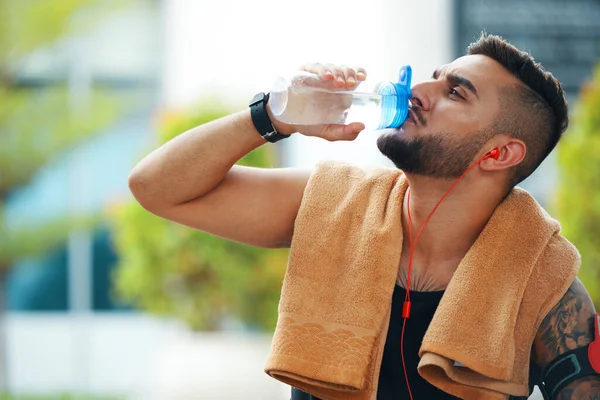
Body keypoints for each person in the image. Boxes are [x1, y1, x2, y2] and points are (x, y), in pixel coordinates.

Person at [127, 34, 600, 399]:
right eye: (435, 76)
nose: (416, 89)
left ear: (499, 153)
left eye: (455, 93)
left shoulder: (545, 283)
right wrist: (274, 115)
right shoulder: (332, 204)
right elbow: (155, 187)